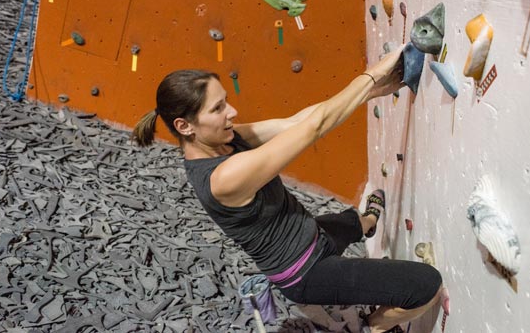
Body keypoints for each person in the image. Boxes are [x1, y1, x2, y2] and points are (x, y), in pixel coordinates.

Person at [132, 46, 442, 333]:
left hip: (311, 234)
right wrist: (371, 75)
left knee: (356, 222)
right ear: (185, 126)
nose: (232, 112)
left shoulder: (225, 140)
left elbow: (296, 121)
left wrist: (373, 91)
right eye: (218, 108)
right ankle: (366, 327)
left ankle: (369, 222)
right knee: (426, 286)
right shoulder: (224, 177)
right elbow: (314, 128)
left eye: (225, 101)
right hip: (306, 273)